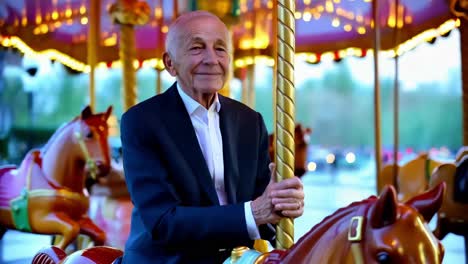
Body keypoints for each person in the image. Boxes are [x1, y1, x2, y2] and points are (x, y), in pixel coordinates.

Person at [120, 10, 304, 264]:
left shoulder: (250, 122)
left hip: (236, 258)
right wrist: (253, 213)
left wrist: (285, 201)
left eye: (220, 49)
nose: (211, 59)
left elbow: (264, 209)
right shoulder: (142, 122)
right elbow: (162, 221)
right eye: (197, 48)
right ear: (170, 64)